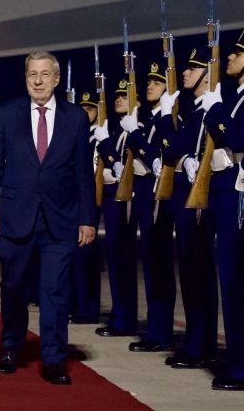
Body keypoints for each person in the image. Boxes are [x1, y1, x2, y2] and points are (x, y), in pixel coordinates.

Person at [0, 51, 96, 385]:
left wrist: (88, 218)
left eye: (45, 74)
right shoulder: (6, 113)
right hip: (15, 217)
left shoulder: (76, 118)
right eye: (32, 74)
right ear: (25, 78)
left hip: (61, 219)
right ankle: (10, 347)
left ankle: (54, 358)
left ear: (56, 79)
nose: (38, 81)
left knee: (55, 291)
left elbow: (83, 172)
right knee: (13, 287)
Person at [155, 47, 218, 370]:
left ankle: (201, 346)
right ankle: (198, 344)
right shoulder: (196, 112)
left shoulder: (213, 109)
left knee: (200, 274)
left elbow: (175, 148)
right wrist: (166, 116)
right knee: (193, 275)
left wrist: (166, 118)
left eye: (192, 70)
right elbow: (175, 150)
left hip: (208, 200)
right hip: (191, 198)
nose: (185, 73)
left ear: (208, 75)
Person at [194, 30, 244, 391]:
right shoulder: (237, 98)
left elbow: (238, 137)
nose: (229, 57)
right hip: (227, 195)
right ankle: (237, 360)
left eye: (238, 54)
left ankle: (241, 367)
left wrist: (215, 109)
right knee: (231, 281)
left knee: (236, 281)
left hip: (237, 197)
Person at [116, 62, 177, 352]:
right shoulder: (152, 120)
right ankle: (155, 330)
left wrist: (136, 134)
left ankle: (161, 332)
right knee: (151, 266)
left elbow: (160, 154)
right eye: (149, 82)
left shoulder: (167, 119)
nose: (150, 86)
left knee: (160, 266)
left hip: (158, 197)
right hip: (143, 194)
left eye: (158, 82)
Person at [93, 79, 140, 338]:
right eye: (117, 96)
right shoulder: (119, 131)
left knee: (123, 260)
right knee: (115, 259)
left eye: (125, 96)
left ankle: (125, 318)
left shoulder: (135, 129)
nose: (119, 99)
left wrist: (105, 145)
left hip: (126, 202)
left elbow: (121, 163)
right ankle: (119, 315)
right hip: (114, 201)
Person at [69, 91, 102, 324]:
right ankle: (77, 304)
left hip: (93, 198)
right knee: (75, 257)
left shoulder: (99, 135)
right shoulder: (78, 134)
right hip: (74, 198)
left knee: (87, 256)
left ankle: (88, 308)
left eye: (89, 109)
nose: (84, 113)